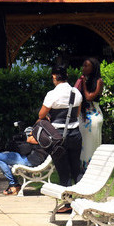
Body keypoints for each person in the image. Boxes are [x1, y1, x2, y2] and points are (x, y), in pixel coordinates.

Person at [38, 65, 82, 199]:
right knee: (76, 168)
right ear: (67, 76)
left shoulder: (52, 94)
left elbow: (41, 114)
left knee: (63, 171)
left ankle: (67, 202)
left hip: (58, 136)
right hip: (75, 134)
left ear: (54, 77)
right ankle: (82, 198)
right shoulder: (76, 92)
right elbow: (77, 113)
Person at [0, 125, 50, 195]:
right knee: (0, 156)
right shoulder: (46, 131)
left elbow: (29, 141)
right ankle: (14, 184)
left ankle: (14, 184)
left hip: (31, 160)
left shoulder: (41, 131)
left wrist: (28, 136)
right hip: (32, 157)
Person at [75, 57, 104, 173]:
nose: (84, 68)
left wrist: (83, 84)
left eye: (87, 66)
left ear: (93, 68)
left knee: (91, 144)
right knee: (83, 144)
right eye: (83, 65)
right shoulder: (82, 80)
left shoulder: (99, 81)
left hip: (93, 116)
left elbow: (89, 97)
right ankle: (81, 169)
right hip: (83, 116)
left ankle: (92, 169)